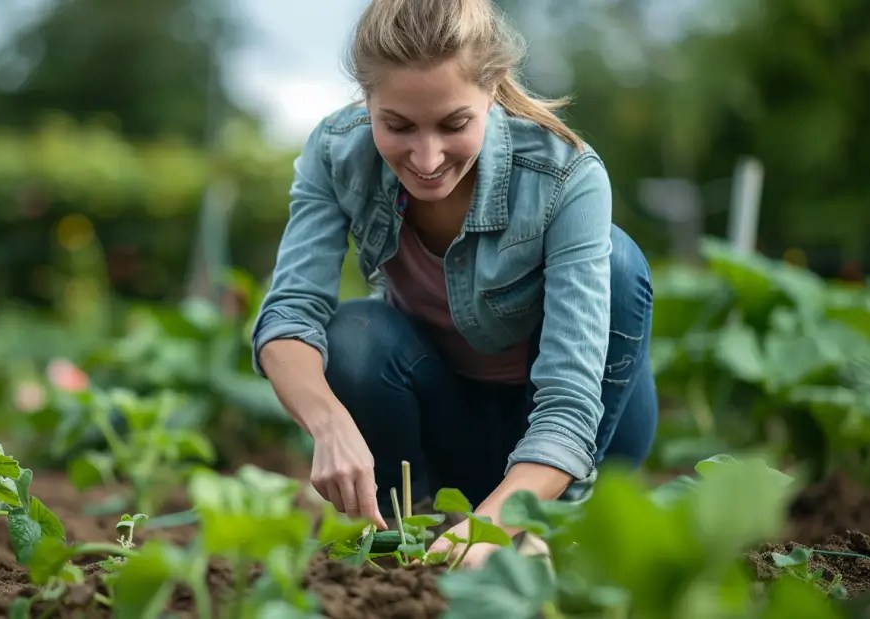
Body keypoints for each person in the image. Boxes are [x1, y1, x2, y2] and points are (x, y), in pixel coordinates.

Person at [250, 0, 658, 568]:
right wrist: (329, 423)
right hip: (450, 422)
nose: (426, 157)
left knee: (620, 262)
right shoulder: (336, 152)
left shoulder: (567, 175)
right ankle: (411, 528)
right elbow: (288, 316)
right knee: (355, 335)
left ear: (491, 89)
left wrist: (497, 527)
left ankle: (554, 528)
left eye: (453, 124)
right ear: (367, 100)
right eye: (398, 126)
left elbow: (569, 405)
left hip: (582, 438)